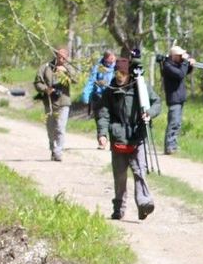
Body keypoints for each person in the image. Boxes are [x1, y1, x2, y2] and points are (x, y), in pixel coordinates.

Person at [96, 58, 160, 221]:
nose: (119, 76)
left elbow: (156, 103)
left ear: (129, 74)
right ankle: (118, 209)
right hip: (118, 137)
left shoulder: (140, 88)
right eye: (117, 72)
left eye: (123, 73)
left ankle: (144, 204)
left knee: (140, 172)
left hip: (137, 136)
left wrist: (149, 113)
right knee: (120, 176)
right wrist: (102, 134)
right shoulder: (109, 90)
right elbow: (103, 114)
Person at [34, 47, 75, 161]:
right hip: (50, 102)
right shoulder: (46, 67)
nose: (61, 58)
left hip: (64, 102)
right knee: (51, 128)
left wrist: (66, 71)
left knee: (60, 128)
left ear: (67, 57)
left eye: (64, 56)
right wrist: (46, 89)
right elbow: (37, 82)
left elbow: (76, 79)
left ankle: (58, 151)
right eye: (59, 56)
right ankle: (53, 148)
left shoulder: (69, 67)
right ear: (56, 55)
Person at [157, 45, 196, 155]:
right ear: (174, 56)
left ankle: (173, 145)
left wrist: (190, 64)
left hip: (179, 98)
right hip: (174, 98)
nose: (181, 58)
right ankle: (169, 146)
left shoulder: (175, 64)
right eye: (180, 56)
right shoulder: (167, 66)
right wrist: (185, 62)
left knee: (177, 123)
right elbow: (180, 75)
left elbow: (185, 72)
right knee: (173, 123)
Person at [81, 50, 116, 133]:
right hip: (99, 97)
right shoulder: (98, 67)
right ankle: (101, 138)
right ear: (105, 58)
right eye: (110, 59)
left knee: (113, 121)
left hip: (113, 97)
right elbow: (91, 82)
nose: (112, 61)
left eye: (113, 59)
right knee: (100, 118)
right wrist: (85, 96)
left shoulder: (117, 67)